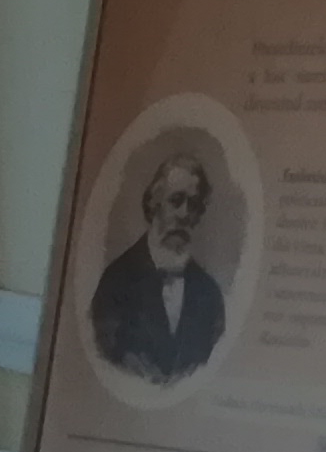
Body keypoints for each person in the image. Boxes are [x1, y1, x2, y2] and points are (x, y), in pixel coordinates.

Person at [89, 132, 231, 385]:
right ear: (154, 203)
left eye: (194, 204)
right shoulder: (115, 283)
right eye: (176, 201)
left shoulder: (209, 295)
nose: (184, 213)